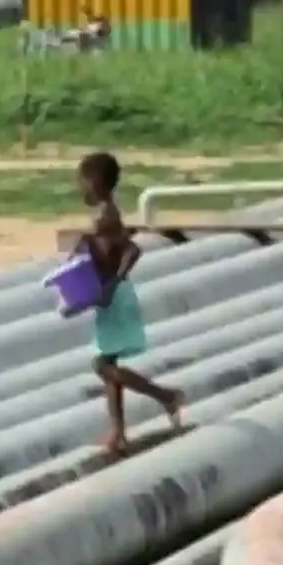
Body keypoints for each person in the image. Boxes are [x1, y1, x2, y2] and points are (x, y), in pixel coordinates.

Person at [70, 151, 184, 453]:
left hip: (114, 296)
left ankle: (166, 396)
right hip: (108, 294)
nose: (79, 188)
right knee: (109, 364)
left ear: (95, 182)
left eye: (82, 181)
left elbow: (132, 251)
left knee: (101, 365)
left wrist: (113, 283)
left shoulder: (106, 215)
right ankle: (118, 432)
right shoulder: (103, 215)